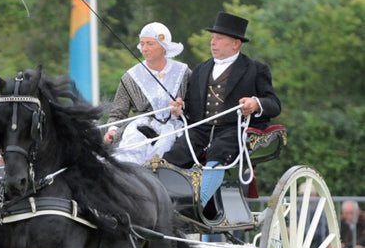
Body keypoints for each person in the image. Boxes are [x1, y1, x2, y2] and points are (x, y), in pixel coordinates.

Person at [163, 12, 281, 207]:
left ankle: (197, 205)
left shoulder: (256, 69)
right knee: (173, 154)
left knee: (218, 151)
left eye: (219, 38)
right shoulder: (201, 69)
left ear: (235, 43)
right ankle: (165, 203)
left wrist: (255, 103)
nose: (212, 42)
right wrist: (179, 108)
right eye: (212, 38)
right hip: (201, 130)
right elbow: (192, 110)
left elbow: (274, 104)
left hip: (233, 130)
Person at [103, 22, 191, 164]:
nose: (144, 49)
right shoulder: (130, 77)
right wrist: (112, 130)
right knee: (132, 149)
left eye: (150, 44)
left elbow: (195, 105)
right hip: (141, 129)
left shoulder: (184, 72)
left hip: (177, 128)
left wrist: (181, 108)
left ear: (164, 47)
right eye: (142, 44)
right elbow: (117, 114)